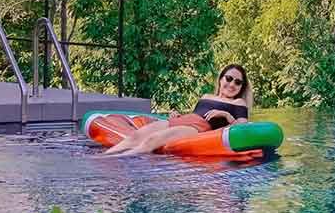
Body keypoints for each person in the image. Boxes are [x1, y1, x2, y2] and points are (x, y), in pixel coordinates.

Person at [103, 64, 252, 156]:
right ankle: (102, 158)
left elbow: (243, 127)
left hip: (198, 127)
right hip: (183, 120)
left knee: (151, 141)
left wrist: (226, 115)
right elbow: (196, 113)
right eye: (229, 78)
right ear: (221, 79)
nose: (232, 84)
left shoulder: (238, 102)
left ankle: (117, 163)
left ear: (241, 87)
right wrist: (179, 116)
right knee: (135, 136)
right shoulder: (206, 95)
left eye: (238, 82)